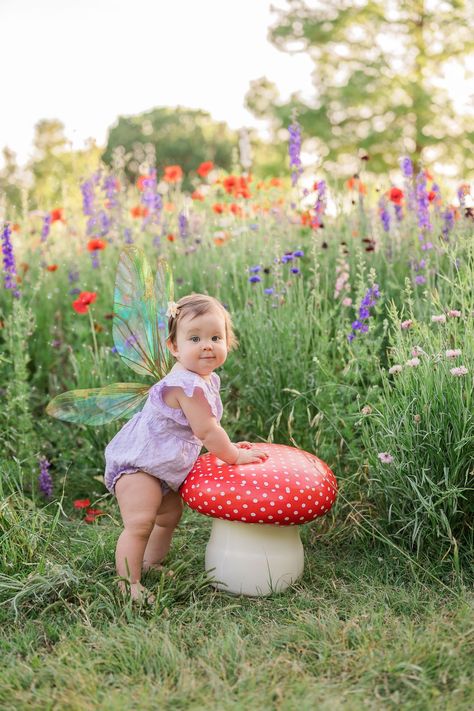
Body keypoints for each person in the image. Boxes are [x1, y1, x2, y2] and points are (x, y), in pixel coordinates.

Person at [104, 293, 269, 602]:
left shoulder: (206, 378)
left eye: (215, 337)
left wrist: (227, 443)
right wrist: (234, 455)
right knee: (140, 523)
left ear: (227, 341)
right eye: (195, 338)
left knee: (168, 517)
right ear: (175, 347)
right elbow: (206, 430)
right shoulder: (185, 384)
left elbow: (208, 427)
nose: (207, 345)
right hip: (139, 464)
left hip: (163, 467)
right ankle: (128, 581)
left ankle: (151, 562)